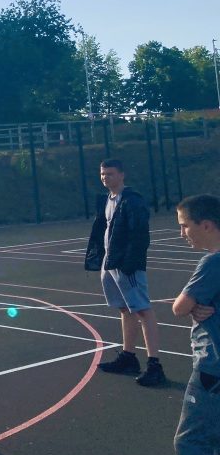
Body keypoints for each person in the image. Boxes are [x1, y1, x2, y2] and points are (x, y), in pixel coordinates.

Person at [84, 158, 166, 386]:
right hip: (110, 263)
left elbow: (140, 234)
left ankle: (155, 365)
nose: (105, 177)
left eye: (109, 173)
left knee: (142, 310)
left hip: (126, 264)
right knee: (124, 308)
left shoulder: (132, 201)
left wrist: (130, 264)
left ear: (122, 175)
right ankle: (128, 356)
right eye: (102, 174)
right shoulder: (106, 200)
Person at [171, 194, 220, 455]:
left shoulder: (212, 263)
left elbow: (179, 307)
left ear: (206, 225)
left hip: (212, 367)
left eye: (185, 225)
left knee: (188, 444)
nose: (182, 233)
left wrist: (192, 308)